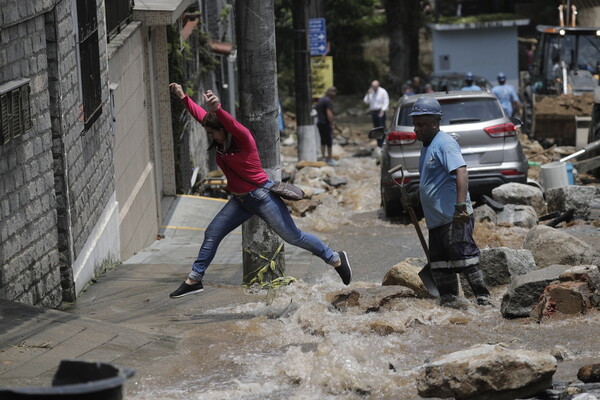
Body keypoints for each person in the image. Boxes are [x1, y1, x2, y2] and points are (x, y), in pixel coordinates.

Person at [168, 83, 352, 298]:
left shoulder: (244, 139)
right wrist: (183, 97)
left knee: (293, 237)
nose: (210, 136)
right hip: (240, 201)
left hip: (262, 196)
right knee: (212, 233)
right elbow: (201, 115)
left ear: (223, 130)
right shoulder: (220, 140)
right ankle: (194, 279)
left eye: (212, 133)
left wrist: (218, 109)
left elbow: (231, 124)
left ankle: (335, 258)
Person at [407, 96, 491, 309]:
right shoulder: (427, 145)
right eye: (415, 124)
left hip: (453, 216)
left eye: (421, 124)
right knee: (440, 264)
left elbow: (461, 171)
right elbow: (432, 181)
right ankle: (451, 304)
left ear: (434, 123)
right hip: (436, 220)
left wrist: (461, 207)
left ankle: (483, 301)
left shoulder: (445, 143)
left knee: (464, 257)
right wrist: (416, 196)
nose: (416, 129)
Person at [363, 80, 389, 147]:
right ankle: (379, 144)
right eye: (373, 86)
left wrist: (383, 110)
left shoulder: (383, 91)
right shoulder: (370, 92)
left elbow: (386, 101)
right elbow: (366, 101)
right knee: (376, 128)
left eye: (375, 86)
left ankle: (384, 143)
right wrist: (368, 94)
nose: (374, 87)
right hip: (373, 111)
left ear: (378, 85)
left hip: (380, 111)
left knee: (382, 127)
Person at [315, 87, 337, 165]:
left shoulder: (321, 100)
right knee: (329, 141)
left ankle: (323, 157)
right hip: (326, 123)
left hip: (319, 122)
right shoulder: (328, 101)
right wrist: (332, 123)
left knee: (323, 140)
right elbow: (329, 113)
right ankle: (330, 159)